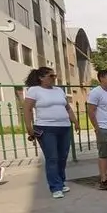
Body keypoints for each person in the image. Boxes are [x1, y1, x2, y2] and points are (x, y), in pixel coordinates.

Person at [22, 67, 78, 198]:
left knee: (62, 157)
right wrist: (28, 127)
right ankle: (55, 187)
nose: (54, 78)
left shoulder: (59, 90)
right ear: (41, 78)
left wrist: (75, 121)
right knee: (52, 158)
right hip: (46, 128)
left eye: (55, 76)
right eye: (51, 76)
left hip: (64, 127)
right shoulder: (34, 90)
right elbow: (27, 109)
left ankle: (61, 181)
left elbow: (67, 108)